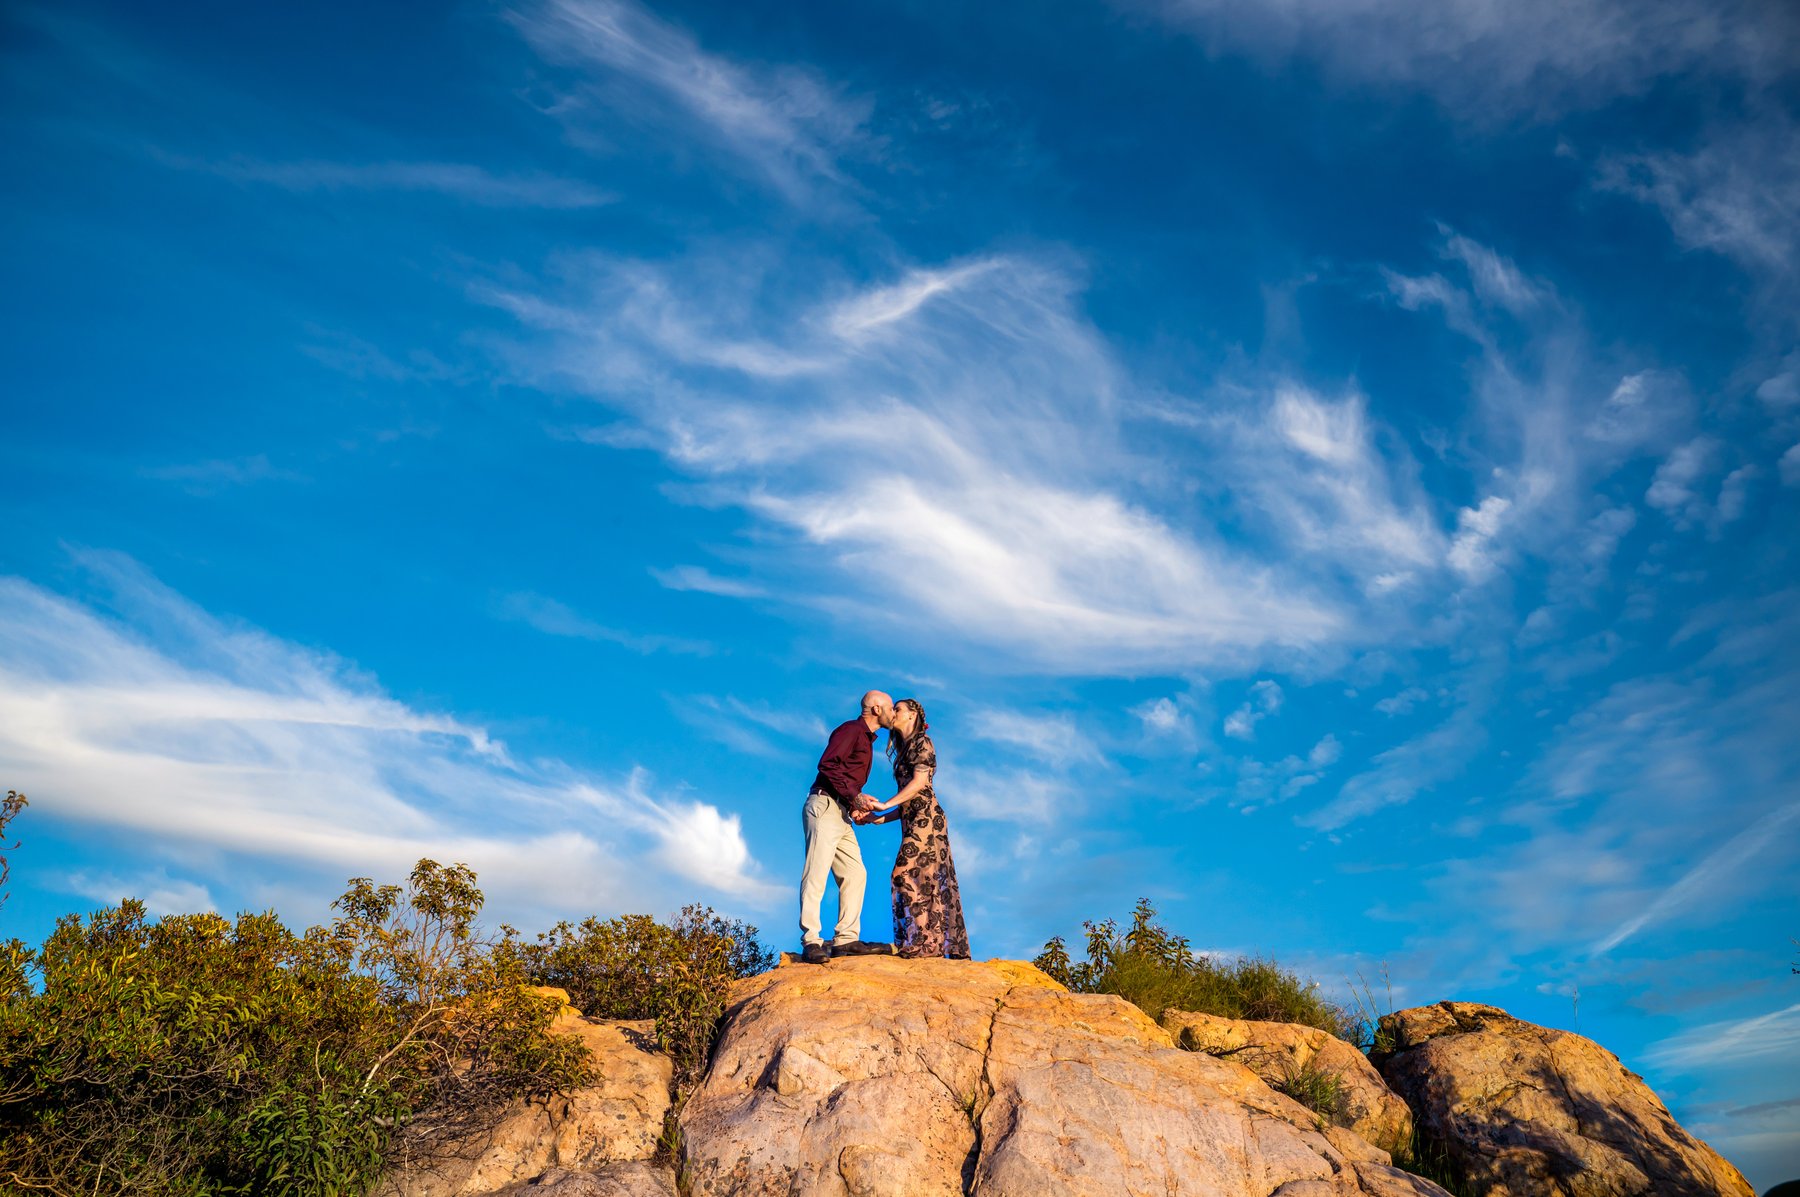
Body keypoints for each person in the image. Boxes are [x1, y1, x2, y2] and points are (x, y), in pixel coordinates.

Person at [861, 698, 970, 959]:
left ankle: (923, 943)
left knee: (903, 873)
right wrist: (880, 818)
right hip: (913, 818)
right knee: (922, 879)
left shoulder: (923, 742)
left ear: (912, 715)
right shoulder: (904, 750)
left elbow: (920, 784)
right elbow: (908, 799)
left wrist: (885, 804)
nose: (893, 713)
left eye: (897, 709)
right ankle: (924, 943)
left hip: (928, 819)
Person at [799, 690, 894, 964]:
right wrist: (856, 796)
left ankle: (846, 940)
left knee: (855, 872)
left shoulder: (866, 739)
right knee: (816, 871)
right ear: (876, 709)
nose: (892, 713)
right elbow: (828, 765)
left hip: (840, 811)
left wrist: (854, 805)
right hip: (825, 805)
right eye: (890, 708)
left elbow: (843, 777)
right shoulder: (851, 730)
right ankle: (811, 941)